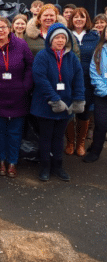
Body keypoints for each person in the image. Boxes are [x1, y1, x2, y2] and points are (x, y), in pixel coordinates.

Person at [31, 23, 85, 182]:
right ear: (50, 40)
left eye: (63, 37)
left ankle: (58, 166)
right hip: (45, 105)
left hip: (66, 106)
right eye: (57, 38)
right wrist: (54, 99)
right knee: (46, 138)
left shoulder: (71, 57)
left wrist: (79, 98)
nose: (60, 40)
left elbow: (78, 79)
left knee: (58, 138)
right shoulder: (42, 56)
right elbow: (40, 79)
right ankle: (45, 167)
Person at [0, 17, 34, 178]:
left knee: (15, 132)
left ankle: (13, 162)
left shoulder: (21, 45)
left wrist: (26, 86)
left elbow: (30, 66)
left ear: (9, 29)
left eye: (3, 27)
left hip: (19, 95)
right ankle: (1, 160)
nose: (0, 31)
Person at [65, 8, 99, 156]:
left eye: (82, 17)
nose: (79, 20)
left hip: (87, 80)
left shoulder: (94, 36)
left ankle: (80, 143)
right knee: (68, 112)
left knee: (84, 112)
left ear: (87, 19)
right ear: (71, 20)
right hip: (68, 79)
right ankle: (70, 143)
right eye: (76, 17)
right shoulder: (65, 35)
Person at [84, 26, 107, 162]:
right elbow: (94, 70)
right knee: (101, 123)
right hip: (101, 94)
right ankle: (95, 151)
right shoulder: (99, 50)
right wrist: (104, 89)